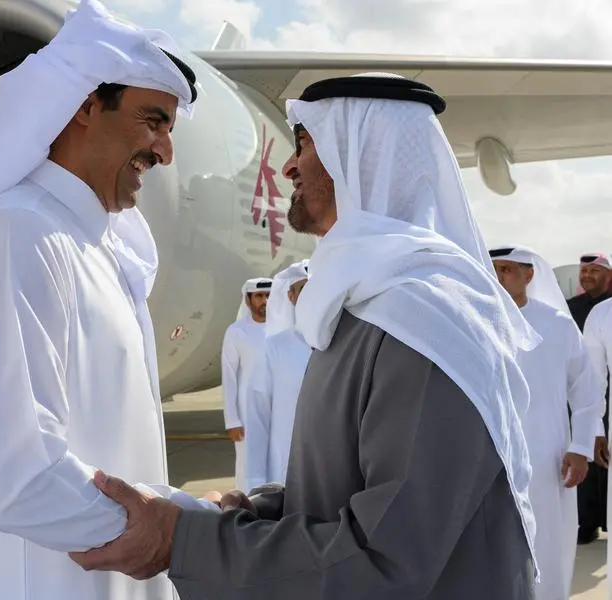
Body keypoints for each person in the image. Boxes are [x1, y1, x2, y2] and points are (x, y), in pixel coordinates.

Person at [68, 73, 543, 599]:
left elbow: (386, 557)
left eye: (307, 145)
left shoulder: (426, 322)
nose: (288, 166)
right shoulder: (368, 306)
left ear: (360, 160)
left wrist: (183, 540)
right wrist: (262, 511)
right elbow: (363, 492)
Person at [0, 1, 209, 599]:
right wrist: (169, 533)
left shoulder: (95, 248)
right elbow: (19, 476)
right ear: (82, 106)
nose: (165, 152)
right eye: (152, 121)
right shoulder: (14, 236)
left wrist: (184, 517)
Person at [491, 244, 605, 600]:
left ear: (529, 275)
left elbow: (586, 392)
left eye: (507, 270)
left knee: (548, 540)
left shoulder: (557, 324)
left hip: (547, 456)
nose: (498, 276)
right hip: (491, 456)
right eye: (493, 268)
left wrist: (581, 447)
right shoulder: (476, 320)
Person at [243, 262, 312, 491]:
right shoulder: (275, 348)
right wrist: (255, 481)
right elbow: (257, 416)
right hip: (284, 474)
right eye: (304, 290)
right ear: (291, 296)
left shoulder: (345, 343)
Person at [568, 252, 612, 543]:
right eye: (584, 271)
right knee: (588, 453)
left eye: (593, 271)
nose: (586, 276)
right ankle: (587, 523)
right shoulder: (573, 308)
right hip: (588, 394)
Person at [220, 277, 272, 490]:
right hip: (248, 411)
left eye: (268, 295)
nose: (265, 301)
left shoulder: (285, 328)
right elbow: (229, 376)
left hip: (280, 408)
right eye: (259, 296)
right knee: (250, 465)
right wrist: (232, 420)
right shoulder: (236, 332)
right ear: (248, 300)